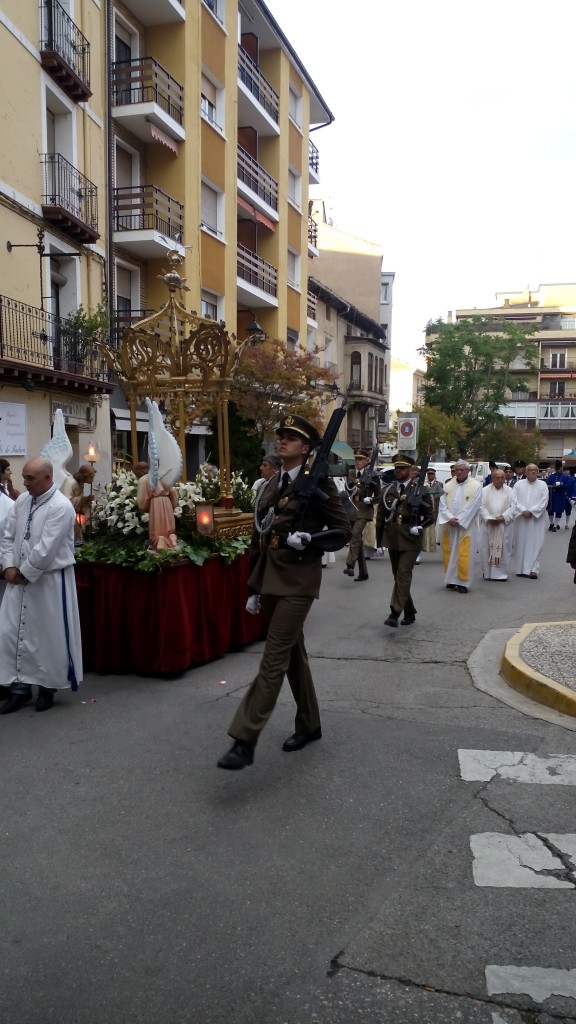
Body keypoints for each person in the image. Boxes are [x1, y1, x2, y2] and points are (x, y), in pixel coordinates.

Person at [217, 413, 352, 770]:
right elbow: (260, 537)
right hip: (270, 579)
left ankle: (244, 738)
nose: (283, 441)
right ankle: (310, 724)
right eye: (281, 435)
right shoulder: (271, 484)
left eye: (291, 437)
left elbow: (343, 530)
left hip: (297, 583)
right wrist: (252, 586)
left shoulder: (319, 483)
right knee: (293, 655)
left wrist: (310, 539)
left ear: (306, 448)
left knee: (274, 656)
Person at [0, 456, 82, 713]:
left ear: (47, 478)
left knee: (46, 637)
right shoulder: (23, 501)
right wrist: (9, 566)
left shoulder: (61, 506)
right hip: (18, 580)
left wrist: (24, 572)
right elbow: (8, 535)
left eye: (30, 478)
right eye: (24, 477)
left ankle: (47, 688)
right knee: (12, 634)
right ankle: (19, 688)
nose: (24, 483)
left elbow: (47, 547)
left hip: (48, 581)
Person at [375, 454, 432, 627]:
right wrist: (378, 543)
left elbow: (430, 516)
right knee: (398, 576)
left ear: (410, 470)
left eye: (402, 468)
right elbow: (380, 518)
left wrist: (420, 526)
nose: (398, 471)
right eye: (396, 468)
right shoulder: (388, 490)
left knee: (403, 574)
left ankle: (394, 612)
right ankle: (410, 610)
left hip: (410, 537)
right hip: (392, 538)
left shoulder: (419, 489)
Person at [437, 460, 483, 593]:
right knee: (450, 551)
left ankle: (463, 582)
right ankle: (451, 579)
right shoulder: (448, 485)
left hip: (465, 526)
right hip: (449, 524)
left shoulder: (476, 486)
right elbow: (442, 503)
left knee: (464, 553)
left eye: (462, 470)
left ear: (468, 471)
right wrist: (449, 518)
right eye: (457, 469)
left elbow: (474, 505)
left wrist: (460, 519)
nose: (459, 472)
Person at [342, 448, 381, 582]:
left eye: (360, 459)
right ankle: (363, 572)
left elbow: (379, 495)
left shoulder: (373, 475)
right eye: (356, 459)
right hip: (352, 508)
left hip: (364, 510)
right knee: (356, 538)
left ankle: (350, 565)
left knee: (355, 534)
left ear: (366, 461)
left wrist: (371, 499)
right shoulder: (351, 473)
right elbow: (349, 487)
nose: (358, 462)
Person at [512, 463, 549, 579]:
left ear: (538, 472)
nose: (533, 472)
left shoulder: (543, 485)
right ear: (526, 472)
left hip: (536, 520)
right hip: (521, 519)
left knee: (536, 543)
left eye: (535, 470)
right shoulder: (518, 484)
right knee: (520, 543)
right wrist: (523, 510)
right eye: (531, 470)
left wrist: (532, 511)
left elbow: (544, 501)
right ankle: (520, 568)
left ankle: (533, 568)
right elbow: (514, 500)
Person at [479, 468, 515, 581]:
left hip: (503, 525)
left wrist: (503, 517)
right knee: (486, 548)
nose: (500, 480)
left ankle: (501, 574)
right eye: (497, 478)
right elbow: (480, 506)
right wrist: (488, 518)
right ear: (492, 478)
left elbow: (514, 507)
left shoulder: (510, 491)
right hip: (488, 524)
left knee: (504, 548)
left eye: (502, 478)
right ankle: (487, 572)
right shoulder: (484, 491)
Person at [137, 471, 178, 550]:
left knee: (156, 527)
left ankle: (159, 540)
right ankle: (171, 537)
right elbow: (173, 493)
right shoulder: (166, 477)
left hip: (155, 503)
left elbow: (141, 501)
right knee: (168, 524)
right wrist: (172, 506)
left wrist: (147, 508)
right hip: (167, 502)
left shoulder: (145, 479)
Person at [60, 464, 97, 542]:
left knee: (89, 504)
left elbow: (79, 497)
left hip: (74, 509)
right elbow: (66, 500)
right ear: (85, 476)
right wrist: (83, 499)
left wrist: (86, 499)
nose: (92, 480)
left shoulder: (81, 484)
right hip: (66, 511)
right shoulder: (71, 482)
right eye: (91, 478)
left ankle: (88, 527)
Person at [546, 460, 574, 532]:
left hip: (560, 496)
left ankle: (555, 525)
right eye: (557, 468)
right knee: (550, 510)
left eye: (560, 468)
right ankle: (551, 523)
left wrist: (561, 484)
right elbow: (547, 485)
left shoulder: (565, 477)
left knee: (559, 511)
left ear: (561, 468)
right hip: (552, 496)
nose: (559, 469)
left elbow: (567, 485)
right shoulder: (551, 476)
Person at [421, 467, 444, 554]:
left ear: (434, 475)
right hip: (427, 506)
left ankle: (433, 542)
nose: (430, 475)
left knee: (434, 524)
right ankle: (426, 543)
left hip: (436, 506)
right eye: (429, 474)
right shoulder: (425, 484)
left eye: (432, 474)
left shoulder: (439, 484)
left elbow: (441, 495)